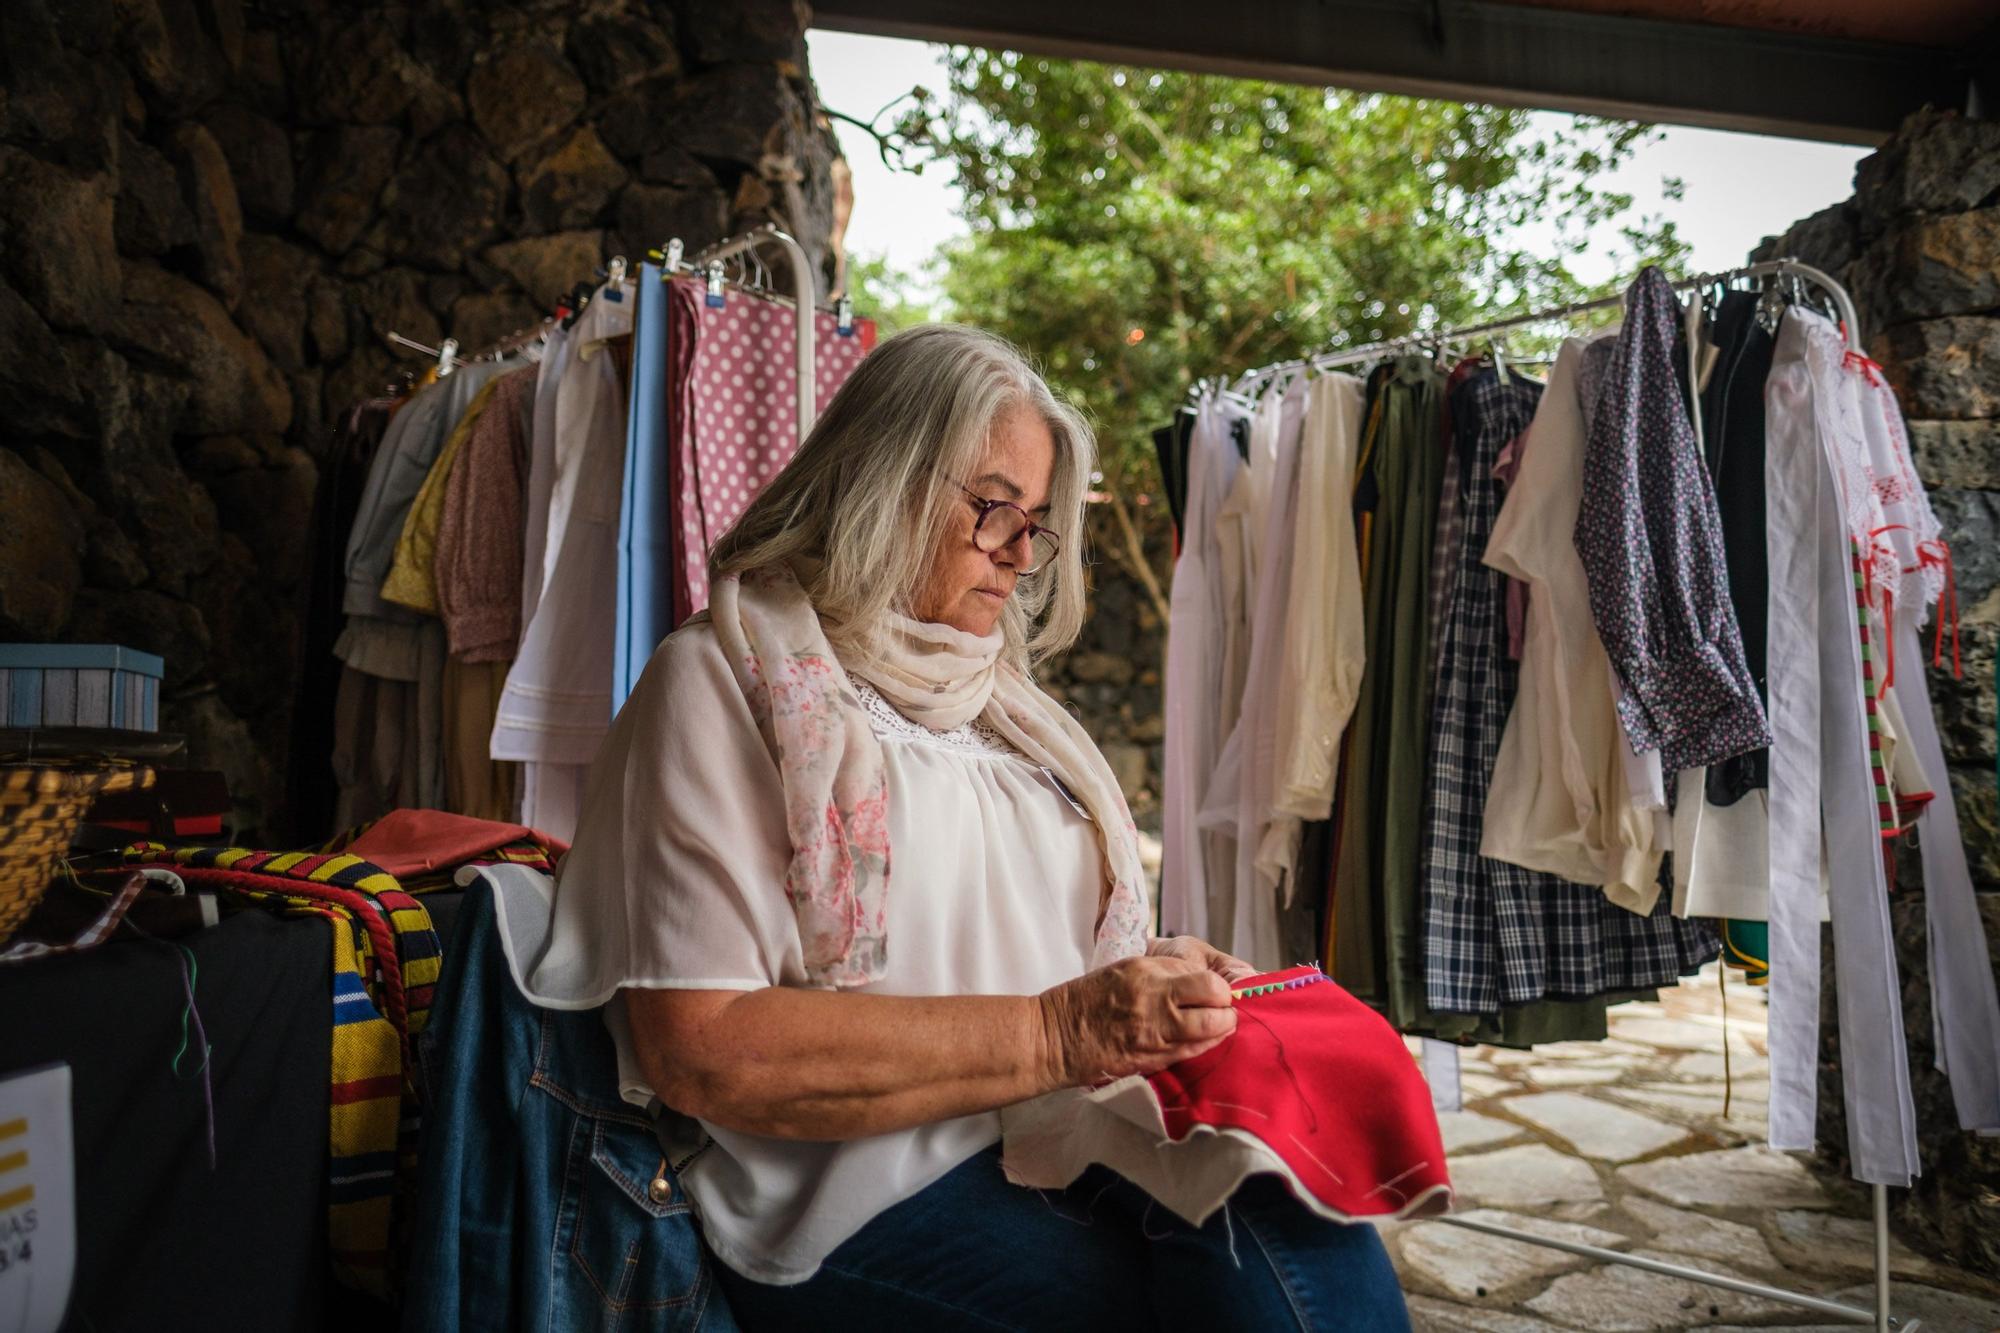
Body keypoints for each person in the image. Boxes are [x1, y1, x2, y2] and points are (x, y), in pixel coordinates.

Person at [520, 323, 1411, 1330]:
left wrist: (1159, 980)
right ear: (883, 477)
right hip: (854, 1195)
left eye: (1034, 523)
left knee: (1302, 1218)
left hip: (1064, 1131)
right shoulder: (726, 685)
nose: (1018, 553)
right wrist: (1061, 1030)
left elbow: (1016, 952)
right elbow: (704, 1048)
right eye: (994, 509)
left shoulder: (1004, 709)